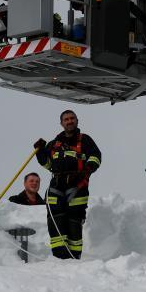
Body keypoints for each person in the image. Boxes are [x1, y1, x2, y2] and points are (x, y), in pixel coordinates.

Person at [34, 110, 101, 259]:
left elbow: (96, 157)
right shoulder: (54, 144)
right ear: (61, 123)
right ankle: (59, 257)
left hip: (77, 185)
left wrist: (88, 169)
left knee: (73, 221)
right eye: (66, 119)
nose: (69, 121)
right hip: (56, 185)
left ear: (77, 120)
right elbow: (48, 164)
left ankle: (73, 257)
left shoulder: (85, 140)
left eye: (72, 118)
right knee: (55, 220)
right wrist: (40, 152)